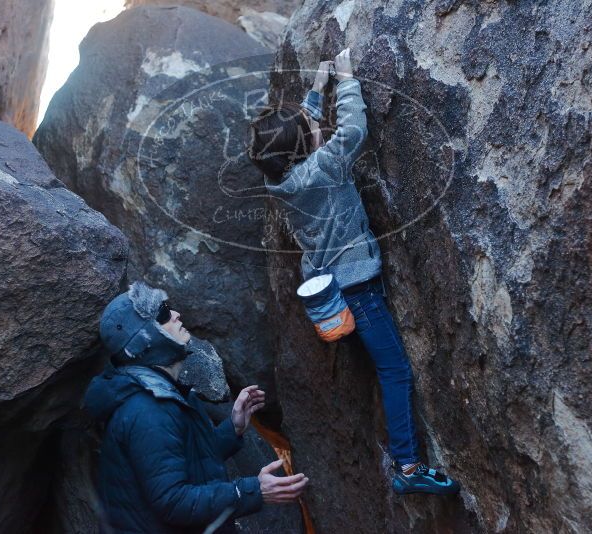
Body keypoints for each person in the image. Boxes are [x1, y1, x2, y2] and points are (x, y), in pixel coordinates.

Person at [247, 48, 460, 496]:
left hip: (332, 292)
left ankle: (404, 460)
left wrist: (315, 90)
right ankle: (407, 466)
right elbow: (352, 131)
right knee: (395, 369)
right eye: (309, 128)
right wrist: (345, 81)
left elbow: (296, 136)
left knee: (383, 367)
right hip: (358, 287)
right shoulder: (323, 169)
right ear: (305, 146)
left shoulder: (279, 180)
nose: (312, 126)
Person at [84, 281, 308, 533]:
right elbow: (173, 501)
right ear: (145, 341)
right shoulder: (147, 411)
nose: (176, 314)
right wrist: (251, 491)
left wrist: (231, 429)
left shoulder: (160, 392)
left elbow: (180, 460)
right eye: (163, 314)